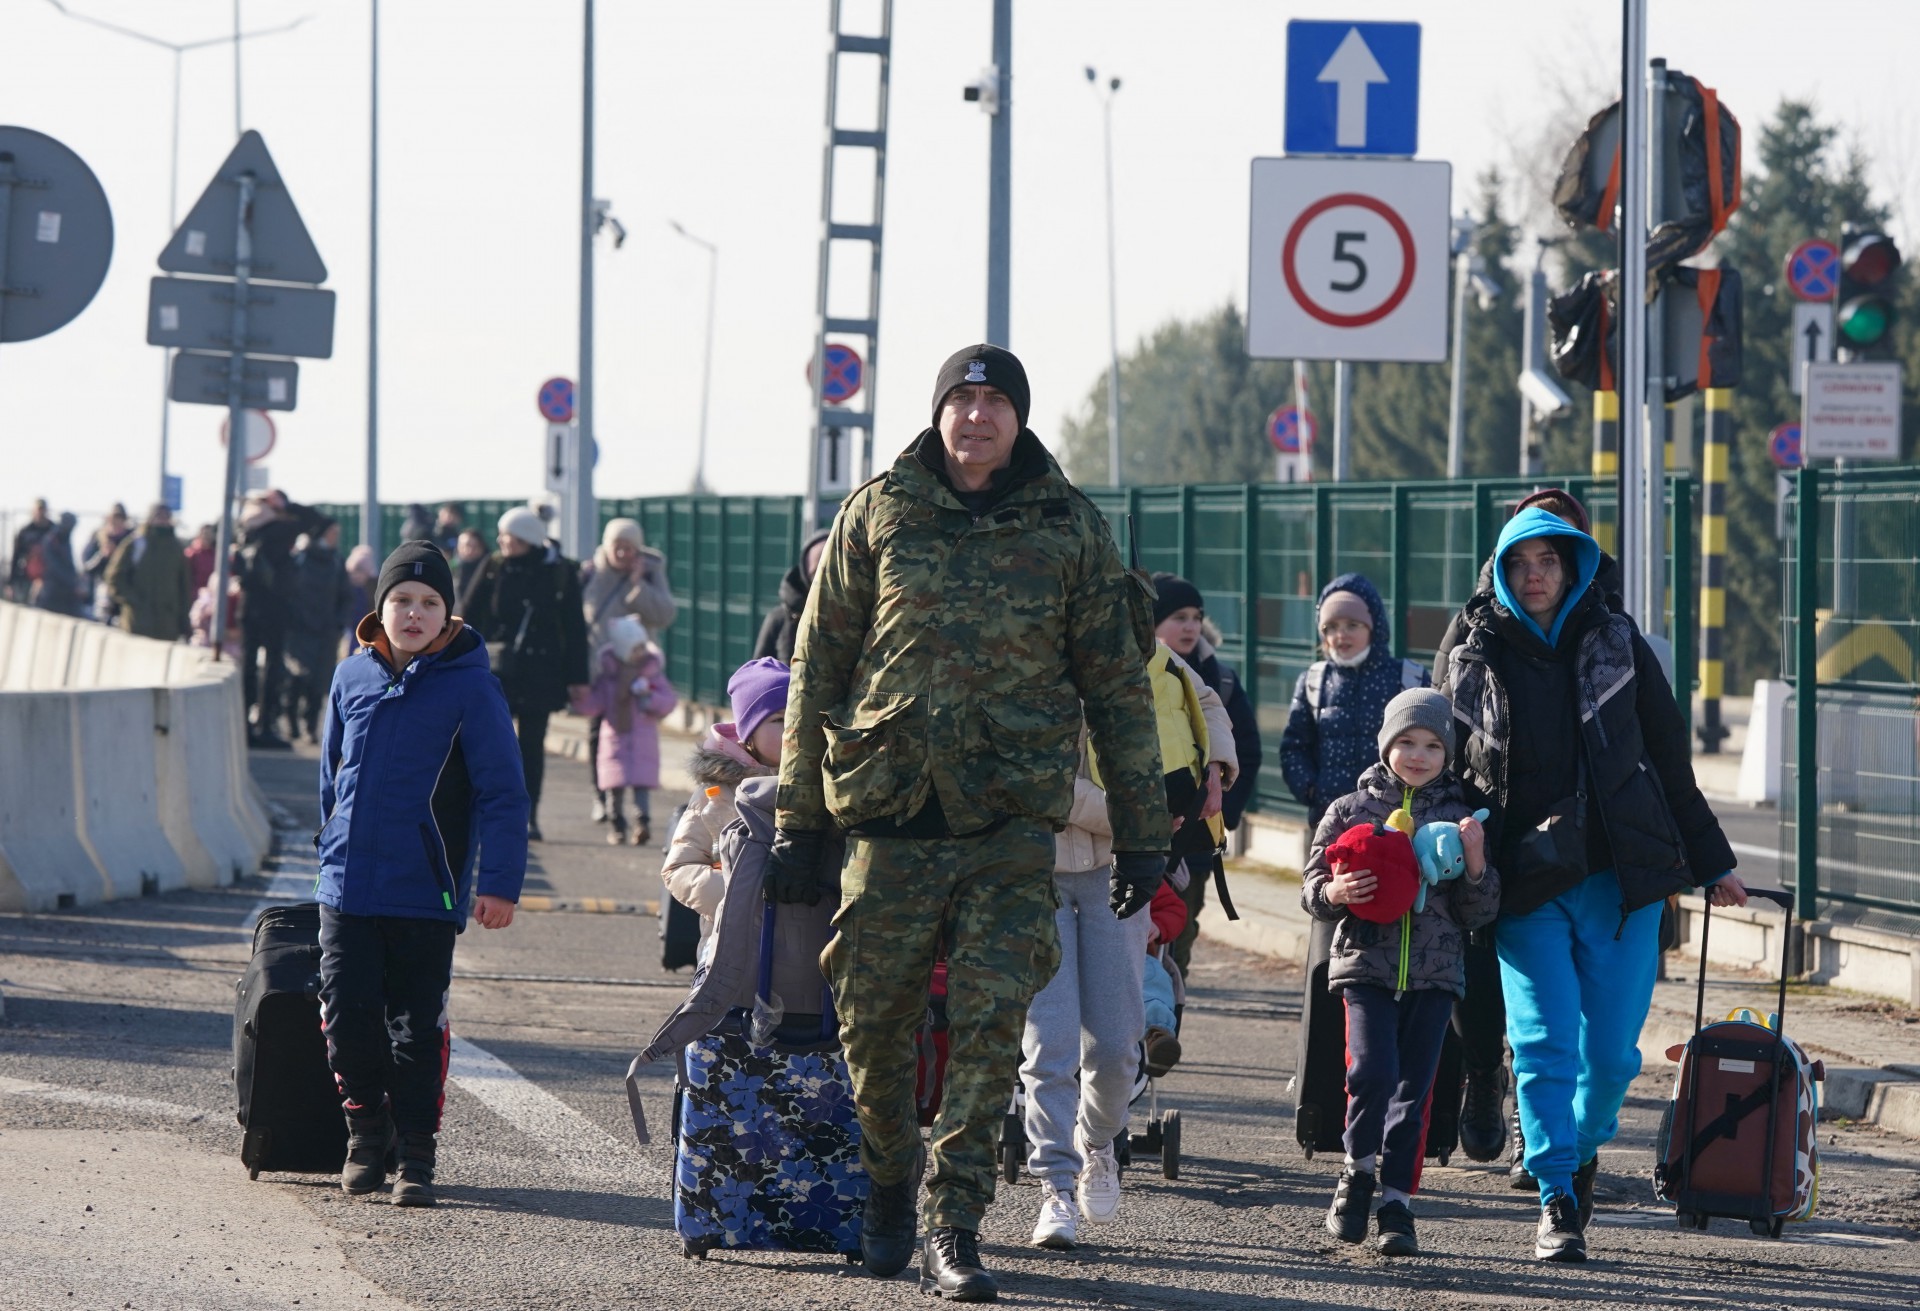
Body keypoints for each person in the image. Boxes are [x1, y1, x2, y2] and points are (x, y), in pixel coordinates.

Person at [771, 344, 1169, 1299]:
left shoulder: (1069, 525)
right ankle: (888, 1176)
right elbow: (817, 666)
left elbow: (1118, 686)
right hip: (891, 810)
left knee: (991, 1026)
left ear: (1019, 418)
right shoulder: (881, 510)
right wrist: (798, 815)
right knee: (873, 1020)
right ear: (940, 410)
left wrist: (1143, 829)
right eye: (963, 398)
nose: (978, 415)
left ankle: (953, 1221)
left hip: (1009, 819)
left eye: (996, 401)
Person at [1441, 507, 1743, 1262]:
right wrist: (1438, 847)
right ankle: (1556, 1195)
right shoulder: (1474, 648)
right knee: (1542, 1044)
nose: (1533, 575)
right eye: (1519, 563)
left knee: (1609, 1057)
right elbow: (1440, 763)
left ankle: (1578, 1148)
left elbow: (1669, 759)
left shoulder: (1617, 641)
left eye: (1548, 561)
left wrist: (1713, 861)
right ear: (1501, 571)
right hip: (1523, 885)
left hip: (1619, 879)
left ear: (1573, 566)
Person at [316, 540, 528, 1207]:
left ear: (447, 614)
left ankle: (416, 1153)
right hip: (347, 885)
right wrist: (330, 848)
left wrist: (499, 883)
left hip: (426, 892)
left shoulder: (472, 687)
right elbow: (331, 776)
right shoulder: (351, 677)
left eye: (429, 602)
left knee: (416, 1028)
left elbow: (503, 792)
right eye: (402, 600)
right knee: (345, 1016)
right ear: (379, 608)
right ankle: (364, 1133)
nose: (414, 613)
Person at [1430, 488, 1622, 1176]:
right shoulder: (1474, 624)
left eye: (1557, 548)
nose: (1539, 567)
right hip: (1494, 834)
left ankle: (1537, 1123)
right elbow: (1439, 723)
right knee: (1481, 972)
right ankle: (1483, 1074)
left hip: (1583, 847)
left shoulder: (1609, 623)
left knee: (1567, 1005)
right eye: (1525, 551)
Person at [1021, 640, 1233, 1252]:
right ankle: (1055, 1186)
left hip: (1123, 871)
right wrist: (1140, 813)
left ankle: (1096, 1145)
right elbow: (1041, 781)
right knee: (1049, 1043)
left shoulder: (1132, 639)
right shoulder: (1020, 646)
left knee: (1116, 1046)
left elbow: (1204, 699)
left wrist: (1215, 770)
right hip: (1035, 868)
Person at [1301, 688, 1500, 1257]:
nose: (1418, 755)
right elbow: (1312, 889)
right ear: (1386, 744)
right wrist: (1334, 891)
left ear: (1448, 753)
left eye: (1433, 745)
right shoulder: (1349, 809)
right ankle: (1356, 1173)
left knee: (1415, 1090)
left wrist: (1476, 863)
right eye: (1407, 742)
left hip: (1436, 974)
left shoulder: (1463, 816)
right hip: (1365, 964)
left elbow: (1480, 912)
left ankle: (1397, 1204)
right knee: (1371, 1072)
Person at [1150, 573, 1263, 974]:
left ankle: (1172, 1009)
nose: (1191, 626)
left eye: (1197, 617)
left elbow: (1247, 750)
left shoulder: (1222, 680)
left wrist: (1222, 811)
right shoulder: (1135, 673)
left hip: (1195, 842)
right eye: (1178, 617)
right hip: (1141, 836)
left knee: (1180, 934)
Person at [459, 506, 590, 841]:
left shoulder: (559, 572)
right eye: (502, 535)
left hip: (541, 674)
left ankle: (528, 815)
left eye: (512, 537)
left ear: (529, 538)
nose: (504, 542)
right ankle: (488, 810)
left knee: (531, 747)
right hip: (498, 671)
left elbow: (574, 627)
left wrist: (578, 679)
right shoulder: (493, 567)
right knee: (493, 744)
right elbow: (469, 614)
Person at [1281, 574, 1428, 827]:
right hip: (1331, 822)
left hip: (1393, 822)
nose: (1341, 634)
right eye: (1331, 627)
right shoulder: (1313, 681)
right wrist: (1312, 790)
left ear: (1374, 627)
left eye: (1352, 625)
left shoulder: (1409, 677)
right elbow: (1294, 747)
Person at [661, 656, 787, 931]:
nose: (792, 729)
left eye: (798, 717)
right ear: (748, 734)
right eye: (778, 719)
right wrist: (740, 896)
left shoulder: (820, 783)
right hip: (733, 938)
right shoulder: (717, 792)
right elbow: (680, 868)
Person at [580, 518, 678, 823]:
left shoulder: (650, 572)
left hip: (638, 670)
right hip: (601, 670)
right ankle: (602, 795)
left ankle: (637, 801)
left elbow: (664, 615)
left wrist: (639, 585)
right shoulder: (591, 573)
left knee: (639, 733)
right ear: (606, 546)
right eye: (617, 547)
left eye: (629, 548)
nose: (623, 553)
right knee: (599, 735)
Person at [570, 616, 676, 845]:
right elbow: (595, 704)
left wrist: (649, 697)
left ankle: (642, 823)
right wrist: (580, 698)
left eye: (641, 647)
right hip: (614, 739)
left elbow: (668, 701)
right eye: (634, 649)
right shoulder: (608, 678)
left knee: (641, 787)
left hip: (642, 741)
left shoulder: (651, 673)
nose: (640, 653)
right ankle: (617, 825)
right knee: (614, 787)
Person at [238, 491, 324, 749]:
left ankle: (244, 724)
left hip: (249, 606)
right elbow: (315, 520)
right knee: (273, 665)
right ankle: (265, 725)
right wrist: (287, 505)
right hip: (274, 606)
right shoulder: (281, 529)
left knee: (249, 665)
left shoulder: (245, 528)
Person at [284, 521, 357, 743]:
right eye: (333, 532)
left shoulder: (336, 561)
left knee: (319, 682)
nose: (336, 537)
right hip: (300, 631)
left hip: (326, 633)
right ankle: (292, 720)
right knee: (297, 678)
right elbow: (288, 594)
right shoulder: (300, 559)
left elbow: (346, 595)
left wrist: (338, 624)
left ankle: (311, 726)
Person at [104, 503, 192, 641]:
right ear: (150, 518)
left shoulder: (176, 548)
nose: (163, 520)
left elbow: (184, 588)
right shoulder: (136, 544)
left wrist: (184, 623)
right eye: (159, 516)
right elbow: (113, 577)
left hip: (167, 626)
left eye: (166, 516)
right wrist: (134, 601)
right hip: (137, 625)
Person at [753, 527, 832, 663]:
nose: (825, 580)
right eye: (816, 572)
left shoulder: (858, 616)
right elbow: (758, 672)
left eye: (832, 571)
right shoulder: (779, 620)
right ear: (805, 574)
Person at [82, 503, 134, 621]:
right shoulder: (99, 537)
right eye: (113, 519)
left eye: (119, 518)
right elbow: (88, 566)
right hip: (102, 591)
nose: (116, 522)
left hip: (124, 591)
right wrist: (103, 555)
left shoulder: (130, 540)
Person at [28, 512, 85, 617]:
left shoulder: (65, 540)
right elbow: (54, 567)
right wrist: (72, 584)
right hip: (52, 590)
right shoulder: (51, 540)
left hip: (65, 591)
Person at [8, 499, 54, 603]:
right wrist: (11, 582)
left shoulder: (53, 530)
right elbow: (16, 556)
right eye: (39, 510)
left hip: (48, 577)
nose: (41, 513)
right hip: (27, 576)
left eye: (43, 510)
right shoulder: (25, 531)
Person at [452, 529, 488, 604]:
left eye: (474, 547)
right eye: (464, 546)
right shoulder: (449, 568)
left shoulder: (489, 571)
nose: (469, 550)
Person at [184, 523, 219, 596]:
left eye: (209, 534)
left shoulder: (216, 555)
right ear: (199, 535)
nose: (207, 537)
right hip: (194, 595)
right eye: (205, 534)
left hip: (212, 596)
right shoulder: (191, 553)